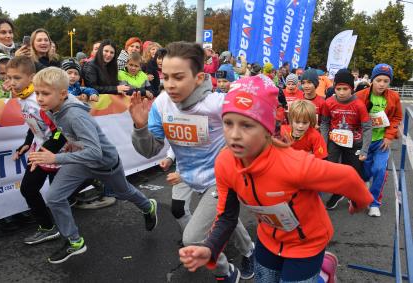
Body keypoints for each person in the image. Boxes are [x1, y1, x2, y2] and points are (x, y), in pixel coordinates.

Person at [178, 75, 374, 283]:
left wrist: (359, 202)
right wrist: (210, 248)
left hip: (306, 244)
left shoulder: (294, 164)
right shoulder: (225, 162)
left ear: (267, 129)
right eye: (228, 123)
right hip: (268, 239)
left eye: (247, 125)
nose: (234, 135)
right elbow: (227, 215)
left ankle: (323, 272)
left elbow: (348, 176)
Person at [129, 41, 255, 282]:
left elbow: (252, 129)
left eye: (178, 77)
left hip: (219, 180)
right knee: (222, 217)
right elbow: (150, 150)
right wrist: (140, 127)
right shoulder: (161, 104)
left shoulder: (218, 104)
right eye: (165, 77)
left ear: (198, 78)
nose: (170, 84)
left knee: (192, 237)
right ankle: (249, 249)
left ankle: (227, 271)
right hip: (185, 174)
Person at [28, 67, 158, 264]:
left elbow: (95, 152)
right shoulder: (54, 108)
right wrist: (71, 143)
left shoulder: (74, 115)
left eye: (45, 93)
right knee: (54, 197)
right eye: (37, 93)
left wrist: (55, 158)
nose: (39, 98)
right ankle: (75, 242)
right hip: (81, 160)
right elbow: (69, 133)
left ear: (63, 94)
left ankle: (148, 207)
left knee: (123, 193)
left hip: (104, 163)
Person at [6, 56, 67, 245]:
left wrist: (45, 153)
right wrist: (26, 143)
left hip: (56, 149)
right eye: (8, 78)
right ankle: (50, 227)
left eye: (17, 78)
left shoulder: (38, 99)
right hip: (41, 148)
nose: (12, 83)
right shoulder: (22, 97)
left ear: (31, 77)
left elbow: (61, 131)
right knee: (32, 189)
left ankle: (62, 231)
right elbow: (34, 125)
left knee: (50, 192)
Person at [320, 69, 372, 210]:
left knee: (354, 171)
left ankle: (353, 195)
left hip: (354, 143)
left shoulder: (359, 105)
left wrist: (364, 150)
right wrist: (323, 144)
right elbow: (324, 123)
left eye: (345, 89)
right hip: (334, 141)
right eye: (338, 89)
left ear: (352, 89)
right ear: (334, 88)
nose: (342, 92)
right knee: (331, 169)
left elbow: (367, 128)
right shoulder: (328, 102)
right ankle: (339, 192)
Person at [356, 63, 403, 217]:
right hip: (364, 141)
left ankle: (374, 203)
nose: (382, 84)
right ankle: (366, 181)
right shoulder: (361, 95)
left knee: (380, 170)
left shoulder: (394, 96)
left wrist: (389, 136)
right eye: (379, 80)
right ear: (372, 80)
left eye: (385, 81)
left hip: (382, 141)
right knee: (366, 171)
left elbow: (396, 117)